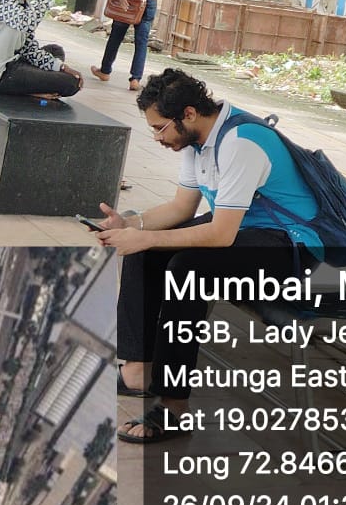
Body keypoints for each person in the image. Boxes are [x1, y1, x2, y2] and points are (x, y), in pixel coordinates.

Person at [95, 67, 325, 442]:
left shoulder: (241, 142)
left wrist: (147, 238)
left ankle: (173, 409)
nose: (156, 137)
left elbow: (219, 235)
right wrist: (131, 225)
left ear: (187, 114)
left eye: (159, 128)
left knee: (187, 269)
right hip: (247, 230)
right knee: (146, 247)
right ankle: (138, 369)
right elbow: (181, 208)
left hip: (290, 248)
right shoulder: (195, 140)